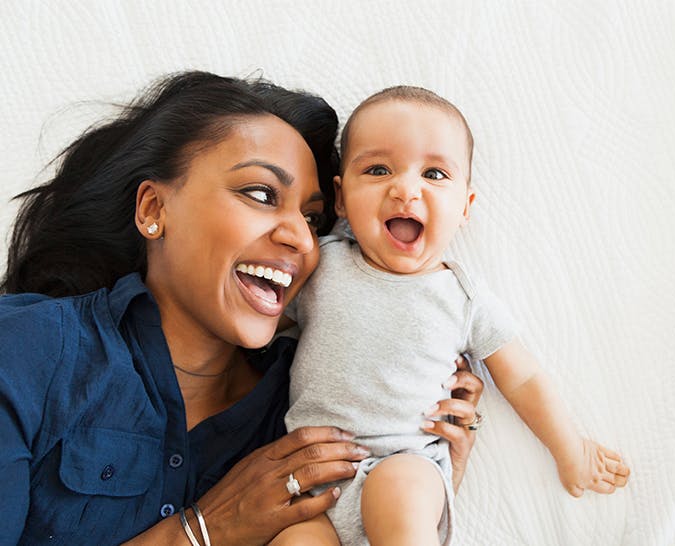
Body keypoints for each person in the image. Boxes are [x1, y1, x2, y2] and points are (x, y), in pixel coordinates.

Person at [0, 72, 485, 545]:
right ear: (153, 209)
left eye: (313, 219)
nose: (300, 237)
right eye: (260, 194)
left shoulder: (300, 417)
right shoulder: (27, 349)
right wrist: (204, 531)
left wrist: (431, 471)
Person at [277, 86, 632, 545]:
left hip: (405, 464)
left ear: (465, 206)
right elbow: (265, 322)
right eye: (378, 169)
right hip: (317, 482)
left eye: (434, 173)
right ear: (341, 199)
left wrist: (569, 448)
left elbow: (522, 378)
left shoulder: (463, 297)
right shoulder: (322, 266)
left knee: (396, 494)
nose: (405, 188)